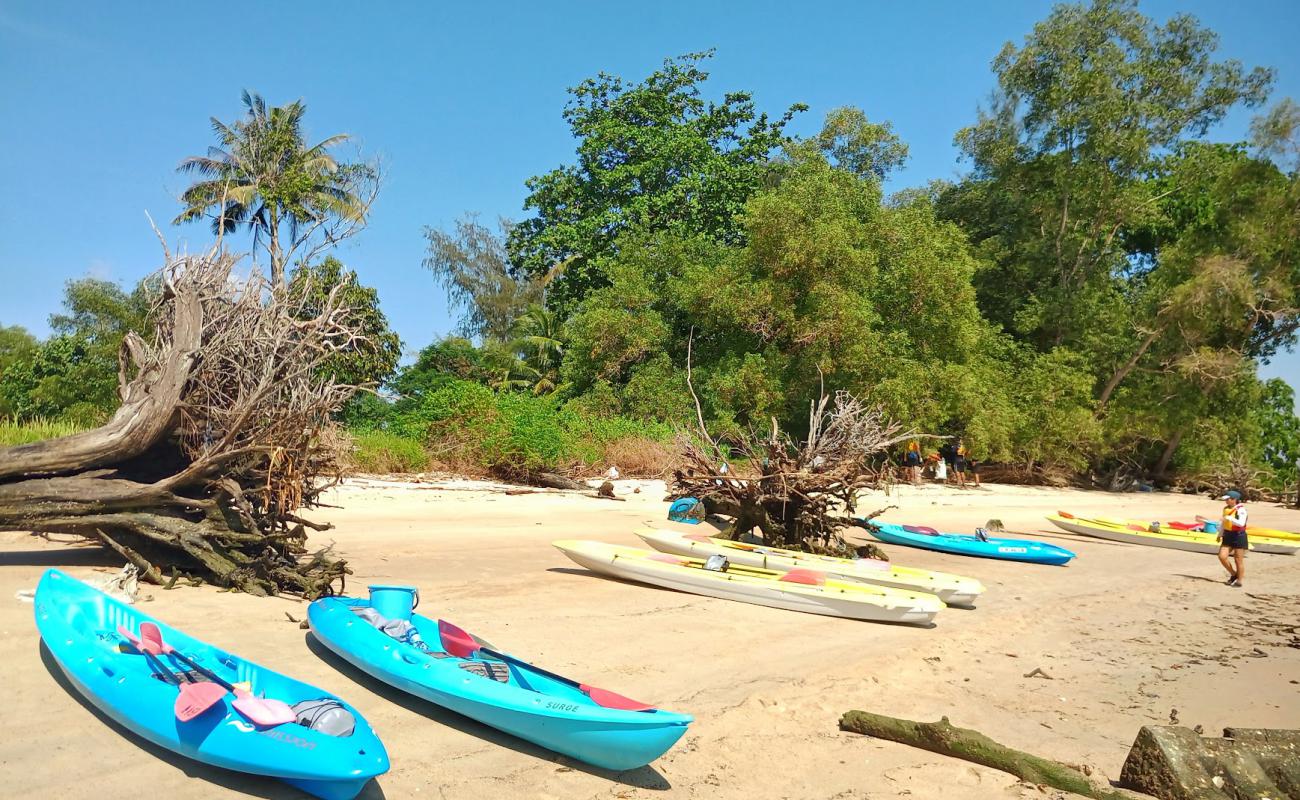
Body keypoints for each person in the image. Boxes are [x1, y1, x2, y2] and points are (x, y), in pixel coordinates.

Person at [1216, 490, 1249, 587]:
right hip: (1228, 535)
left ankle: (1239, 580)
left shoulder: (1241, 510)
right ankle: (1234, 574)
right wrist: (1220, 534)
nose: (1226, 501)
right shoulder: (1226, 509)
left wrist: (1229, 518)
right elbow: (1223, 523)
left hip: (1239, 536)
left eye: (1228, 499)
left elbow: (1241, 523)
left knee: (1238, 560)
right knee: (1222, 556)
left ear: (1234, 500)